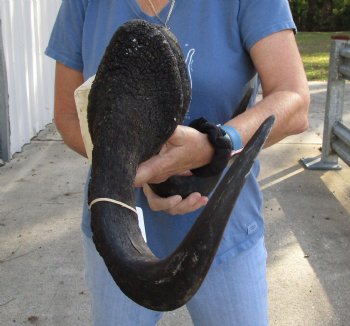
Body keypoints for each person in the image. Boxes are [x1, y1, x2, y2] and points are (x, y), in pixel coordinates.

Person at [46, 1, 310, 325]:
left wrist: (216, 145)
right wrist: (131, 168)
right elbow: (68, 114)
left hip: (222, 234)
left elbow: (293, 99)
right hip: (116, 226)